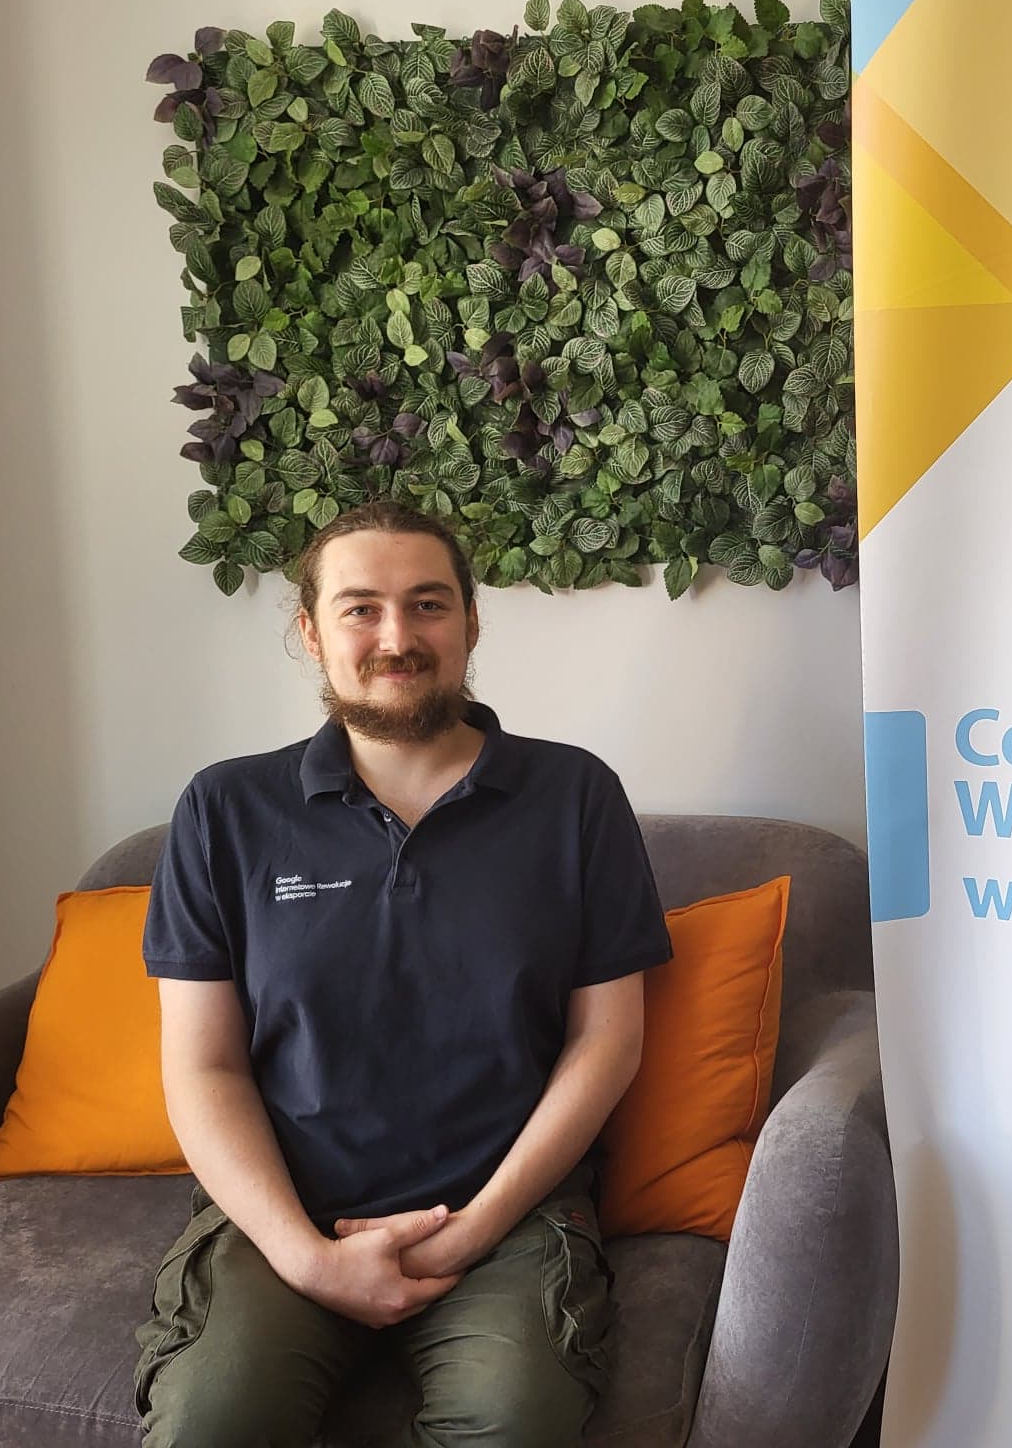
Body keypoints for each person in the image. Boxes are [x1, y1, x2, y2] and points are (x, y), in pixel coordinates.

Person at [133, 500, 672, 1447]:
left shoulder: (574, 795)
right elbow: (202, 1066)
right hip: (285, 1214)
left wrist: (472, 1230)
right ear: (311, 632)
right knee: (211, 1423)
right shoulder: (225, 809)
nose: (397, 638)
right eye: (360, 608)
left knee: (514, 1424)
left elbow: (607, 1041)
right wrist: (306, 1257)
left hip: (508, 1219)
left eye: (428, 604)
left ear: (470, 621)